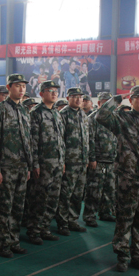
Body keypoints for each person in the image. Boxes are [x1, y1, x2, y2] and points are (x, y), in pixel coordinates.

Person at [96, 86, 139, 272]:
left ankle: (138, 256)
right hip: (128, 179)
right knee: (124, 218)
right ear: (131, 100)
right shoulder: (122, 119)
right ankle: (122, 256)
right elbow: (101, 116)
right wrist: (117, 98)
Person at [0, 74, 33, 258]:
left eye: (23, 86)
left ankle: (14, 241)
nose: (21, 89)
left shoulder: (24, 111)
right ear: (9, 88)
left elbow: (28, 141)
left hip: (22, 167)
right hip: (6, 167)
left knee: (18, 207)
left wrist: (29, 166)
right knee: (4, 208)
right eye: (17, 86)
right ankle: (2, 243)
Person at [25, 80, 65, 244]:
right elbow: (32, 142)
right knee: (39, 199)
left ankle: (45, 228)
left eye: (56, 90)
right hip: (43, 165)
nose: (54, 93)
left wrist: (62, 161)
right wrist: (35, 164)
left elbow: (61, 140)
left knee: (53, 199)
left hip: (57, 164)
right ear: (41, 94)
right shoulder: (36, 113)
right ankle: (34, 231)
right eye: (50, 90)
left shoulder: (56, 113)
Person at [55, 87, 90, 235]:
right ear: (68, 98)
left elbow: (87, 139)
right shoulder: (62, 115)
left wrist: (87, 158)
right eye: (74, 96)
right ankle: (62, 223)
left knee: (78, 194)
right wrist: (62, 161)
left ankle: (73, 220)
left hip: (82, 161)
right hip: (69, 162)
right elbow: (59, 141)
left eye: (80, 97)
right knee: (66, 194)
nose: (78, 99)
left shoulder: (83, 115)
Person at [83, 91, 118, 228]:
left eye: (110, 102)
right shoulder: (93, 118)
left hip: (112, 160)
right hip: (98, 160)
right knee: (94, 190)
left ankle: (106, 212)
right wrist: (92, 158)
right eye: (105, 102)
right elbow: (89, 140)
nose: (108, 106)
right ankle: (89, 215)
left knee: (110, 189)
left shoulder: (115, 118)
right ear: (99, 103)